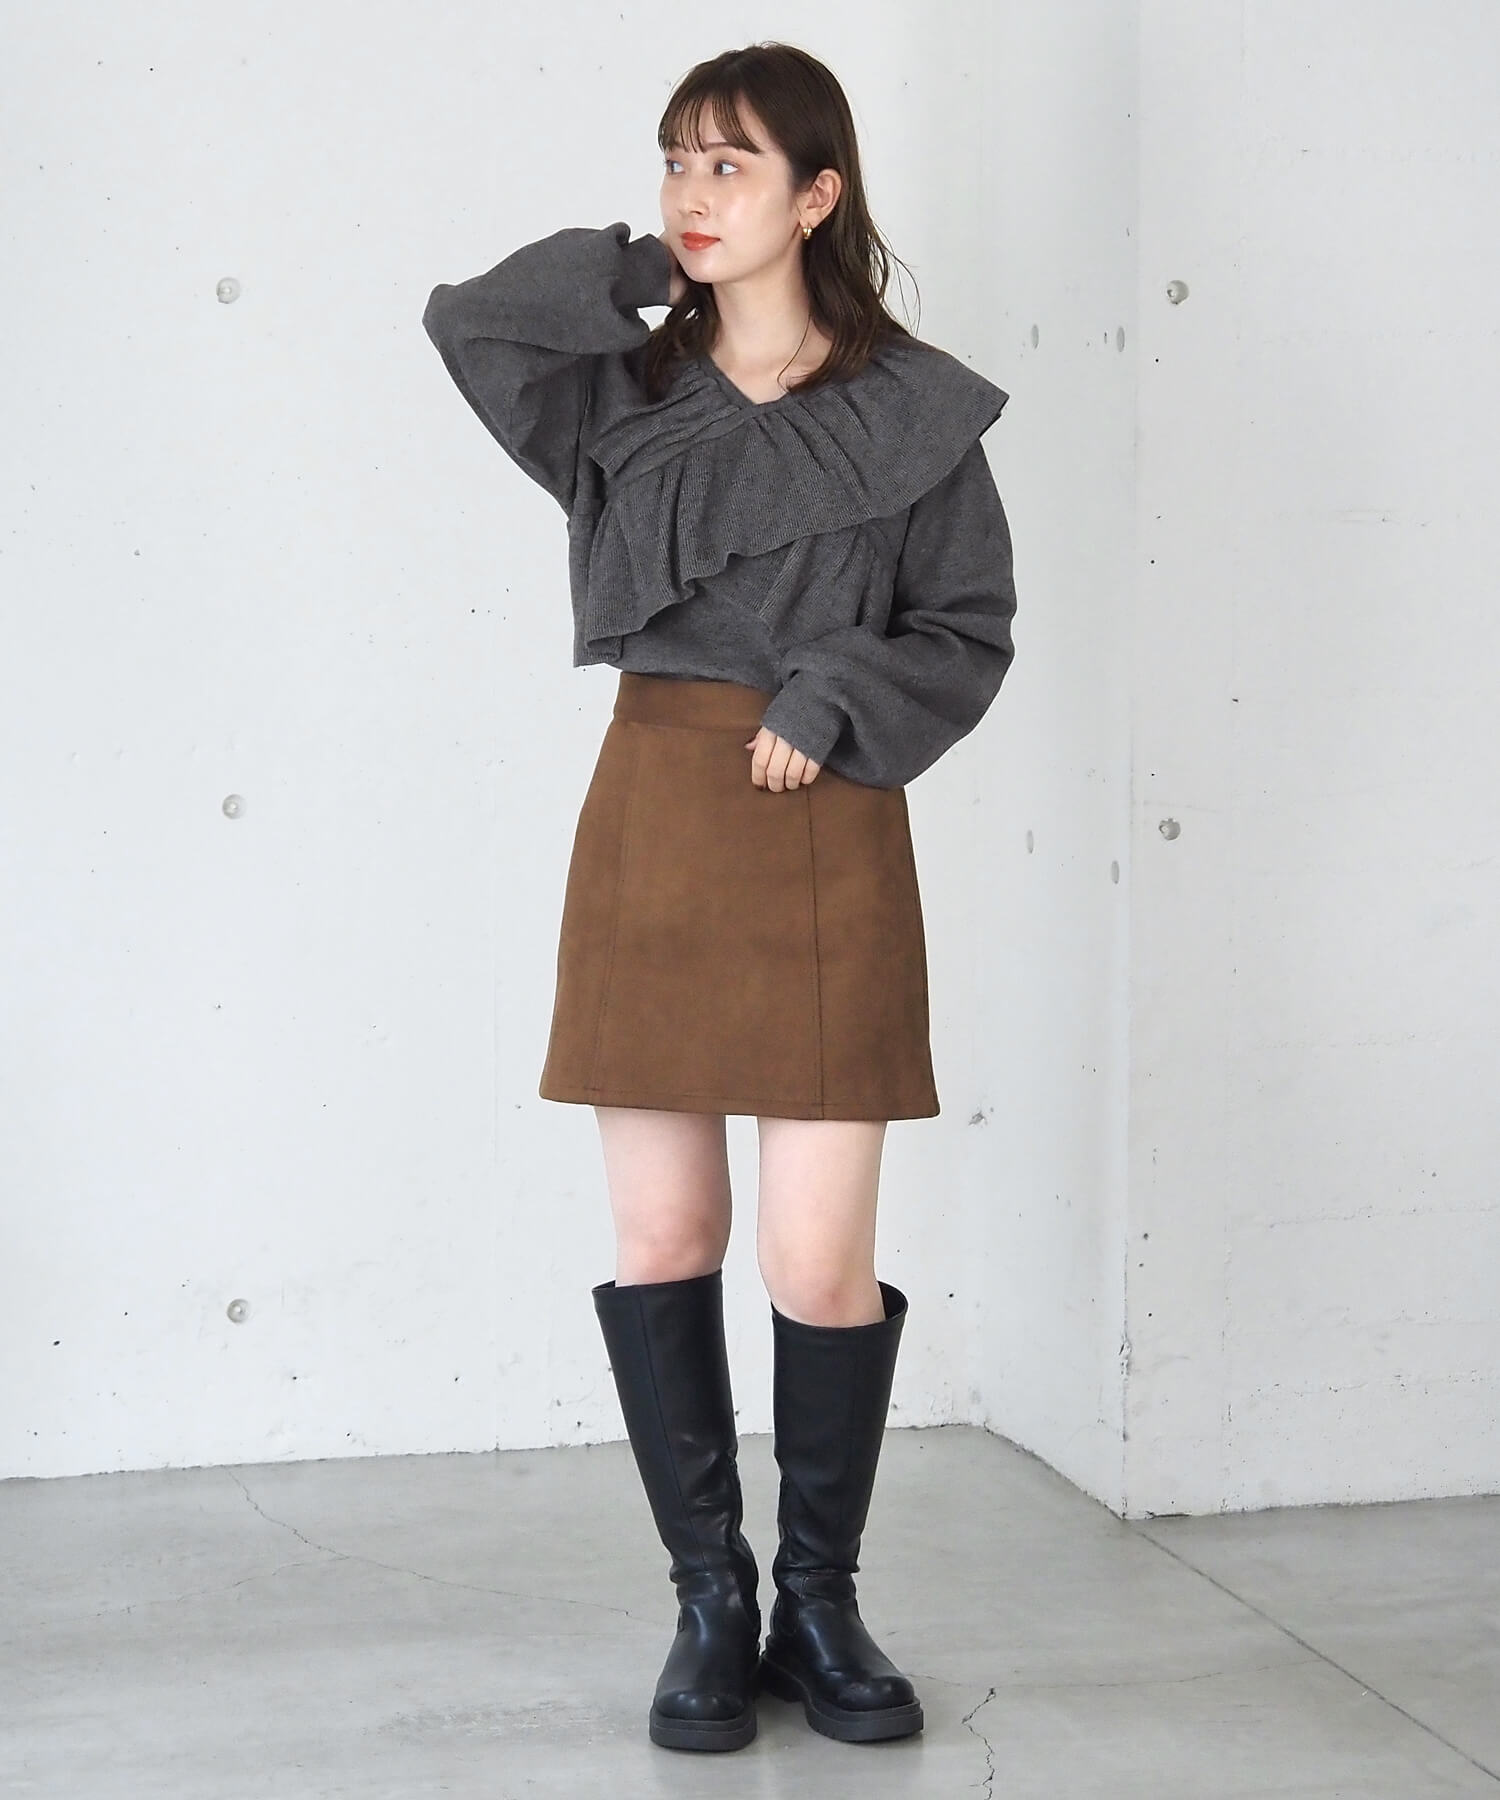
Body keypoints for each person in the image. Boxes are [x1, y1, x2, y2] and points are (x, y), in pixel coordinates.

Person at [422, 41, 1017, 1755]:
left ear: (818, 196)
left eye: (731, 166)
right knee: (666, 1239)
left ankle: (821, 1603)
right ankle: (709, 1602)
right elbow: (472, 322)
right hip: (657, 822)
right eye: (677, 161)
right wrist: (631, 266)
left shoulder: (915, 413)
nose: (693, 194)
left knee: (820, 1263)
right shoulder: (622, 393)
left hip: (828, 824)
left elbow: (966, 628)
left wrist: (833, 697)